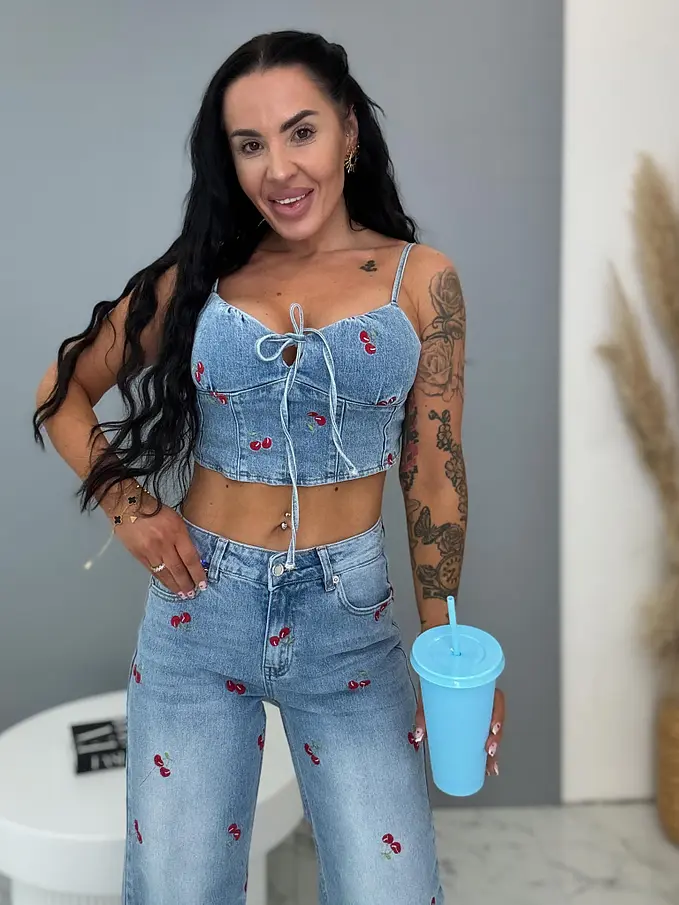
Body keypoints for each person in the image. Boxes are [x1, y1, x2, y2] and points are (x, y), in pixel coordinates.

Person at [33, 30, 505, 905]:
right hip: (199, 614)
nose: (278, 168)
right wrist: (131, 506)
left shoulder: (421, 280)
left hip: (347, 618)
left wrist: (445, 642)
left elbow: (432, 472)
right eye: (250, 144)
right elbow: (61, 394)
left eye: (301, 132)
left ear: (348, 130)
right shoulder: (202, 275)